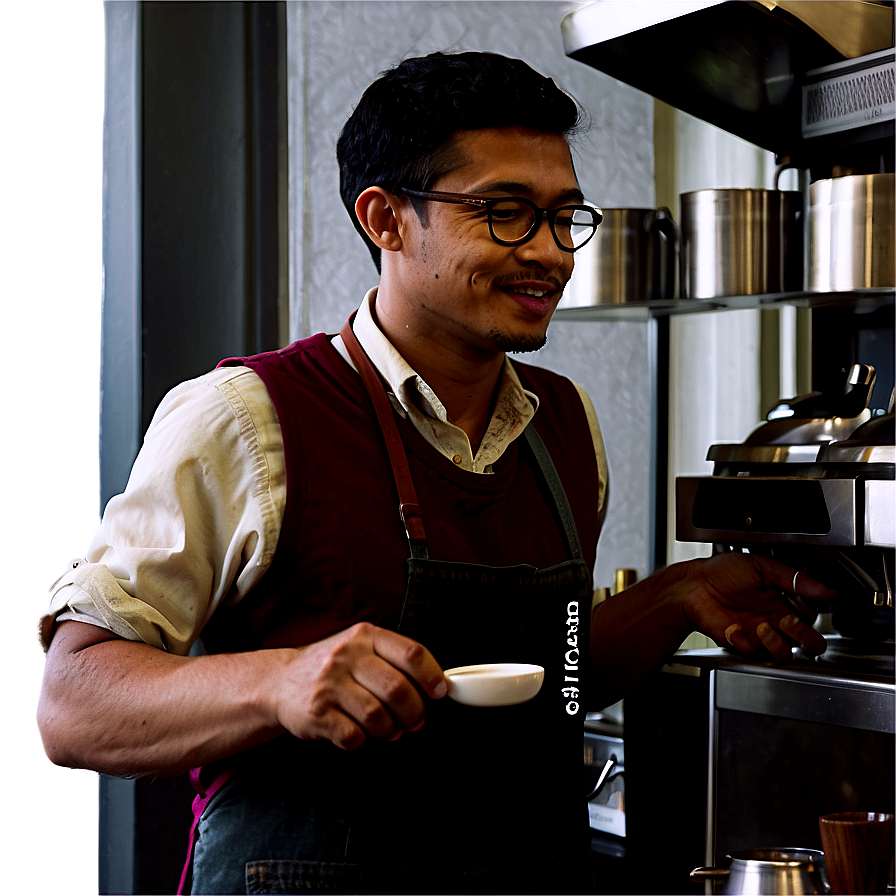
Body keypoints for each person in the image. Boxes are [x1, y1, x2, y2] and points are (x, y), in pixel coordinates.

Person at [36, 51, 833, 895]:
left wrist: (677, 596)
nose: (552, 255)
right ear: (385, 218)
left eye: (566, 216)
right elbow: (73, 706)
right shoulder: (248, 418)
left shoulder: (564, 424)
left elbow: (551, 674)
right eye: (506, 214)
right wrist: (278, 681)